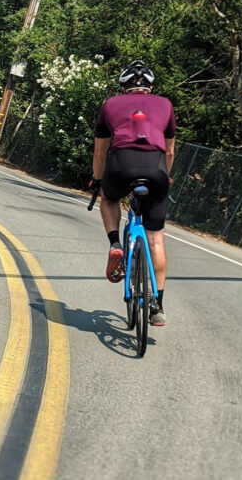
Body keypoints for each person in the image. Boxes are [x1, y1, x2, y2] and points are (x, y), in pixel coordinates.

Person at [89, 60, 175, 326]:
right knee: (156, 240)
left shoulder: (110, 104)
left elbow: (100, 151)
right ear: (150, 86)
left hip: (120, 166)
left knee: (109, 197)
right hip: (156, 168)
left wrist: (96, 180)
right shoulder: (166, 105)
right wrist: (165, 177)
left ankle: (115, 243)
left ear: (123, 85)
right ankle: (157, 306)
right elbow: (170, 151)